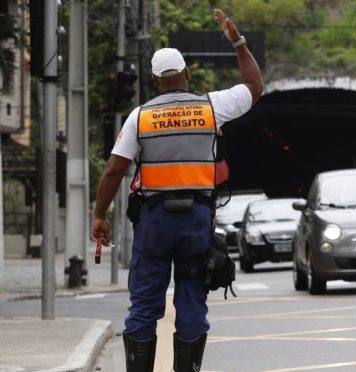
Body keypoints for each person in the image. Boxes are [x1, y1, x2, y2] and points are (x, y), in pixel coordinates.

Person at [90, 8, 263, 372]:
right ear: (186, 73)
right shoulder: (211, 107)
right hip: (196, 222)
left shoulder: (140, 117)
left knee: (144, 306)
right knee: (191, 304)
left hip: (154, 224)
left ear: (155, 81)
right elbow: (253, 87)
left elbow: (113, 171)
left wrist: (99, 215)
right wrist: (237, 41)